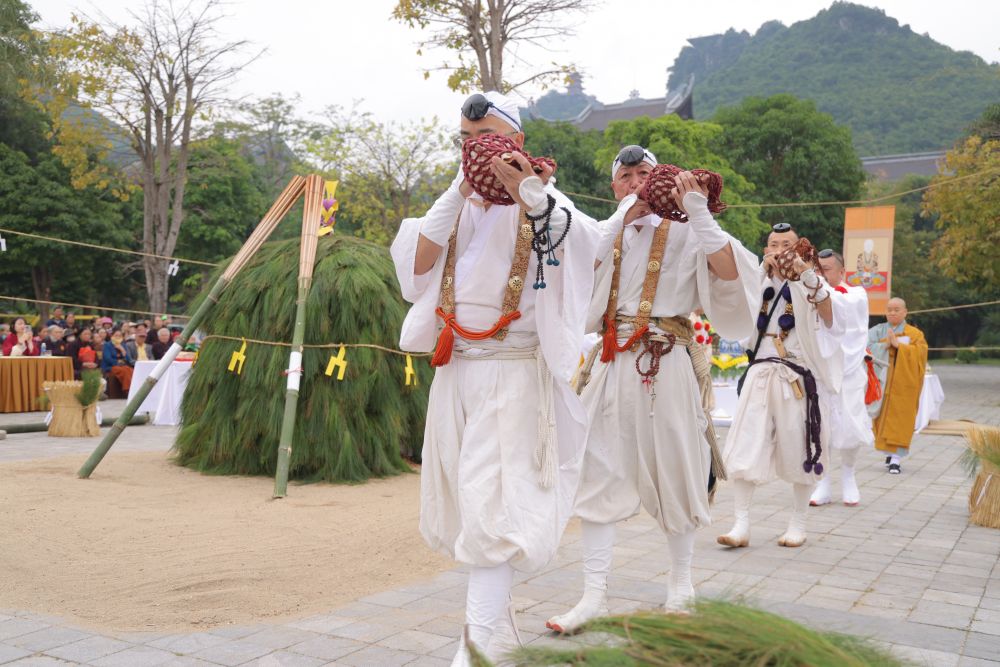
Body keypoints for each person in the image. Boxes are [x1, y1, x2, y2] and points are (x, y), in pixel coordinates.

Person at [390, 90, 600, 666]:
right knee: (468, 505)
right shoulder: (451, 205)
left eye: (487, 138)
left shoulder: (549, 205)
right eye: (465, 140)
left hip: (515, 376)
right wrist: (462, 184)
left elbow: (580, 246)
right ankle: (497, 638)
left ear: (518, 141)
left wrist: (526, 189)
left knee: (492, 509)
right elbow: (416, 267)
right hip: (456, 373)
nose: (476, 149)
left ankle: (477, 650)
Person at [546, 146, 760, 632]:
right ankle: (594, 596)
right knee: (596, 477)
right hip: (609, 363)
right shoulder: (604, 230)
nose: (638, 182)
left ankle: (681, 587)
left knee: (677, 471)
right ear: (614, 187)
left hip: (667, 361)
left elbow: (730, 274)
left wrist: (698, 210)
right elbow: (570, 279)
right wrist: (622, 217)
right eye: (627, 176)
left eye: (646, 173)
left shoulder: (690, 229)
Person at [717, 223, 843, 550]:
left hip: (796, 377)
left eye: (786, 243)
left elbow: (830, 316)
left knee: (800, 448)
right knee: (745, 445)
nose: (779, 249)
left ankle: (798, 523)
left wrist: (802, 273)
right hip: (760, 372)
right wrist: (762, 272)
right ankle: (741, 524)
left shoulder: (812, 284)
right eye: (773, 244)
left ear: (801, 248)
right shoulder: (758, 282)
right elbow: (733, 309)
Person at [809, 250, 873, 506]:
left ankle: (849, 475)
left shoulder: (856, 295)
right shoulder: (811, 293)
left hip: (850, 369)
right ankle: (822, 481)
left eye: (826, 269)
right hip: (821, 370)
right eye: (818, 269)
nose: (821, 274)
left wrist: (815, 284)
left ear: (841, 271)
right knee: (821, 425)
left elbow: (840, 306)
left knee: (850, 423)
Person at [867, 297, 928, 474]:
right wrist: (885, 345)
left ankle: (896, 459)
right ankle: (889, 452)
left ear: (905, 312)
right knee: (881, 418)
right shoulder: (878, 330)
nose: (892, 313)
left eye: (896, 309)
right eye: (889, 309)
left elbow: (921, 354)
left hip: (904, 386)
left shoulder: (915, 334)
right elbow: (865, 347)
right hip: (883, 382)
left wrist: (900, 347)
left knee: (900, 420)